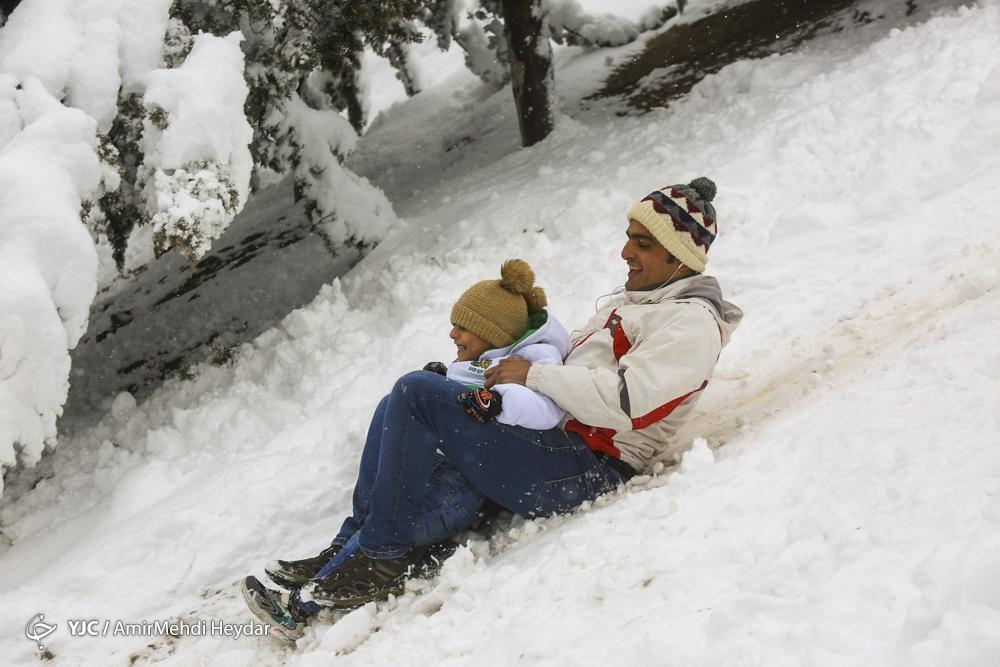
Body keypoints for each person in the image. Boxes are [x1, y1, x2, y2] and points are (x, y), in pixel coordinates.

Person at [245, 177, 742, 639]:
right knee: (401, 402)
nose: (625, 252)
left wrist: (532, 376)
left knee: (416, 393)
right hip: (549, 443)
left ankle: (377, 555)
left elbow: (627, 403)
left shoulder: (690, 323)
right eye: (629, 238)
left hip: (586, 467)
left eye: (642, 243)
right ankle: (343, 556)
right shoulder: (641, 301)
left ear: (679, 256)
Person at [243, 259, 572, 636]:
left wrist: (496, 403)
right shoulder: (483, 361)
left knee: (386, 527)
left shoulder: (529, 361)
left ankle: (299, 609)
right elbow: (465, 403)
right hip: (441, 469)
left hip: (458, 491)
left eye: (463, 326)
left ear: (491, 332)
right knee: (390, 406)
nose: (452, 333)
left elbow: (546, 409)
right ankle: (341, 547)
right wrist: (445, 384)